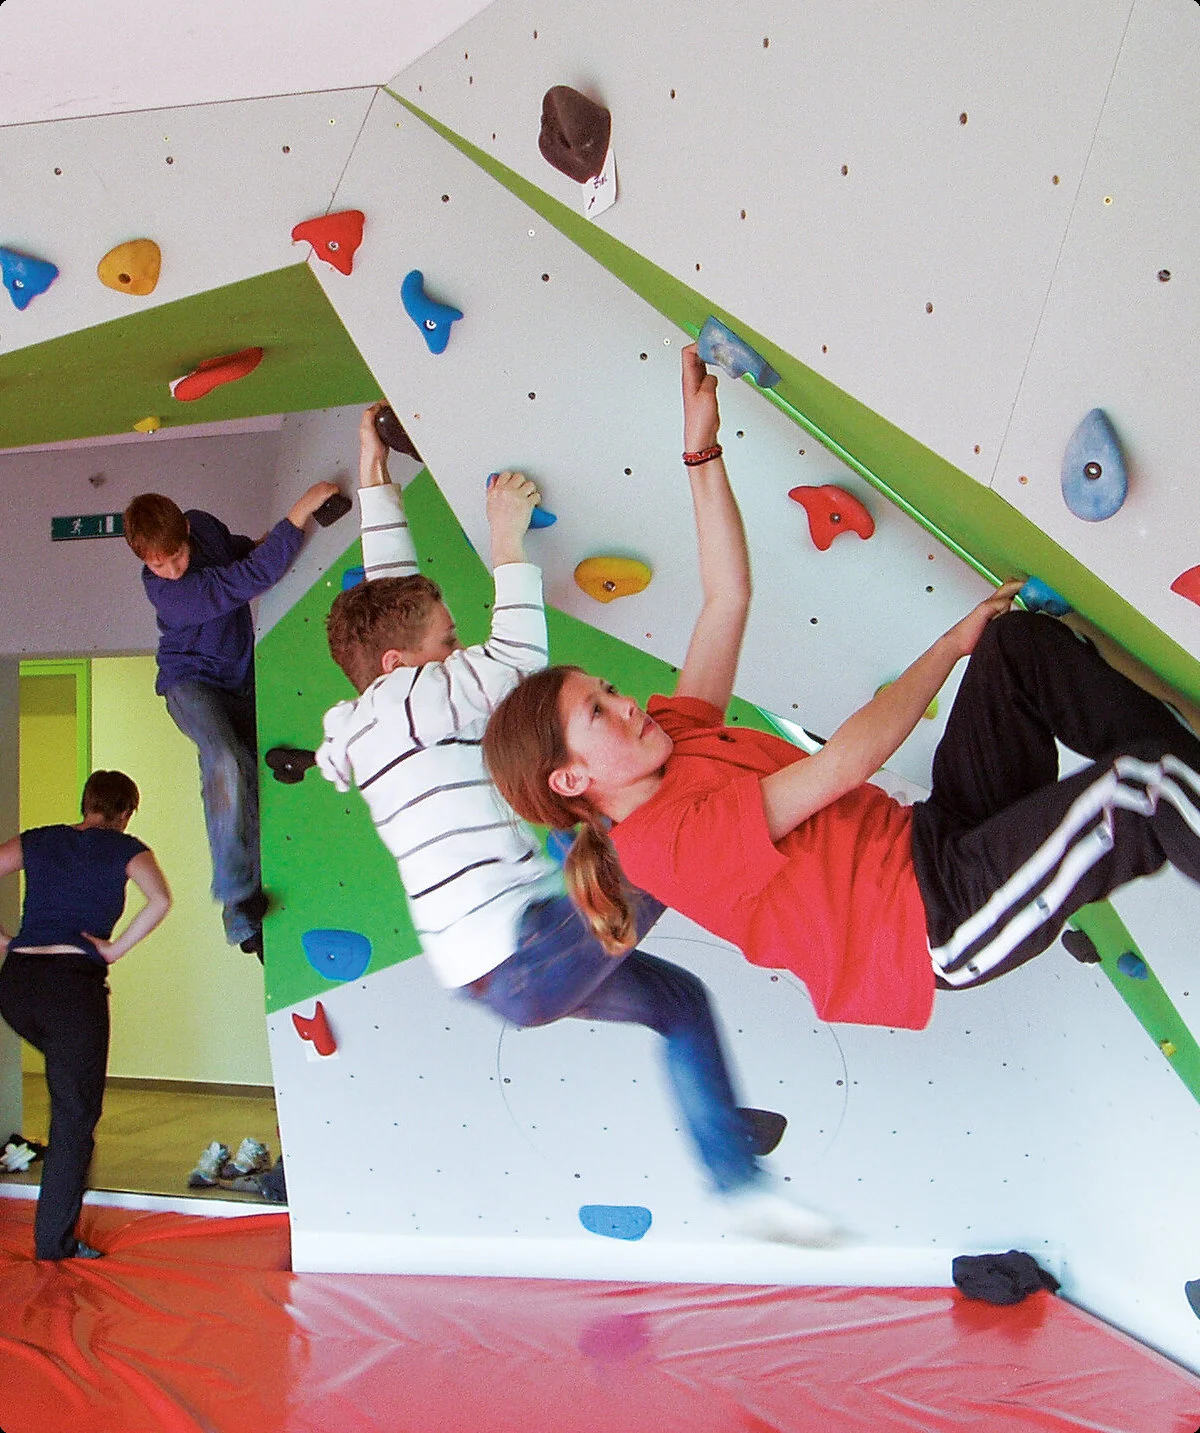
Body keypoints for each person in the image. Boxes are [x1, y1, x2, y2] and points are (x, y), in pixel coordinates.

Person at [482, 345, 1200, 1038]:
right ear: (572, 776)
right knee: (1145, 788)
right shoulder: (664, 847)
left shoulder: (673, 738)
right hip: (938, 919)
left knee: (1017, 650)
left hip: (937, 836)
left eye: (608, 689)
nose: (626, 702)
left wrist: (700, 450)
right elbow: (842, 764)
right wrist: (950, 644)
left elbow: (726, 596)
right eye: (598, 712)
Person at [315, 404, 837, 1246]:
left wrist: (374, 469)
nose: (459, 653)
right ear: (400, 667)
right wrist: (507, 539)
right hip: (525, 944)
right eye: (448, 643)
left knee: (679, 999)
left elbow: (391, 603)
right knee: (653, 845)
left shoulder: (381, 714)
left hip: (502, 969)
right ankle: (797, 844)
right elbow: (519, 665)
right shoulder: (416, 697)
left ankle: (737, 1178)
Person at [124, 480, 338, 954]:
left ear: (186, 531)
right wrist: (300, 511)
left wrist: (287, 532)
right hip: (190, 682)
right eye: (156, 564)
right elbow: (251, 579)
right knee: (223, 758)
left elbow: (242, 554)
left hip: (239, 678)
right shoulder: (168, 593)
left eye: (175, 556)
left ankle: (248, 921)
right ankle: (237, 895)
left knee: (253, 776)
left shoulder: (203, 524)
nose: (171, 570)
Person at [0, 771, 171, 1260]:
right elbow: (160, 900)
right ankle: (53, 1244)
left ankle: (57, 1224)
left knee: (66, 1075)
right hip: (71, 990)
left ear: (87, 804)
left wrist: (5, 941)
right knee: (74, 1116)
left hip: (16, 986)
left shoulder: (39, 840)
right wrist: (114, 950)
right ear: (126, 812)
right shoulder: (127, 849)